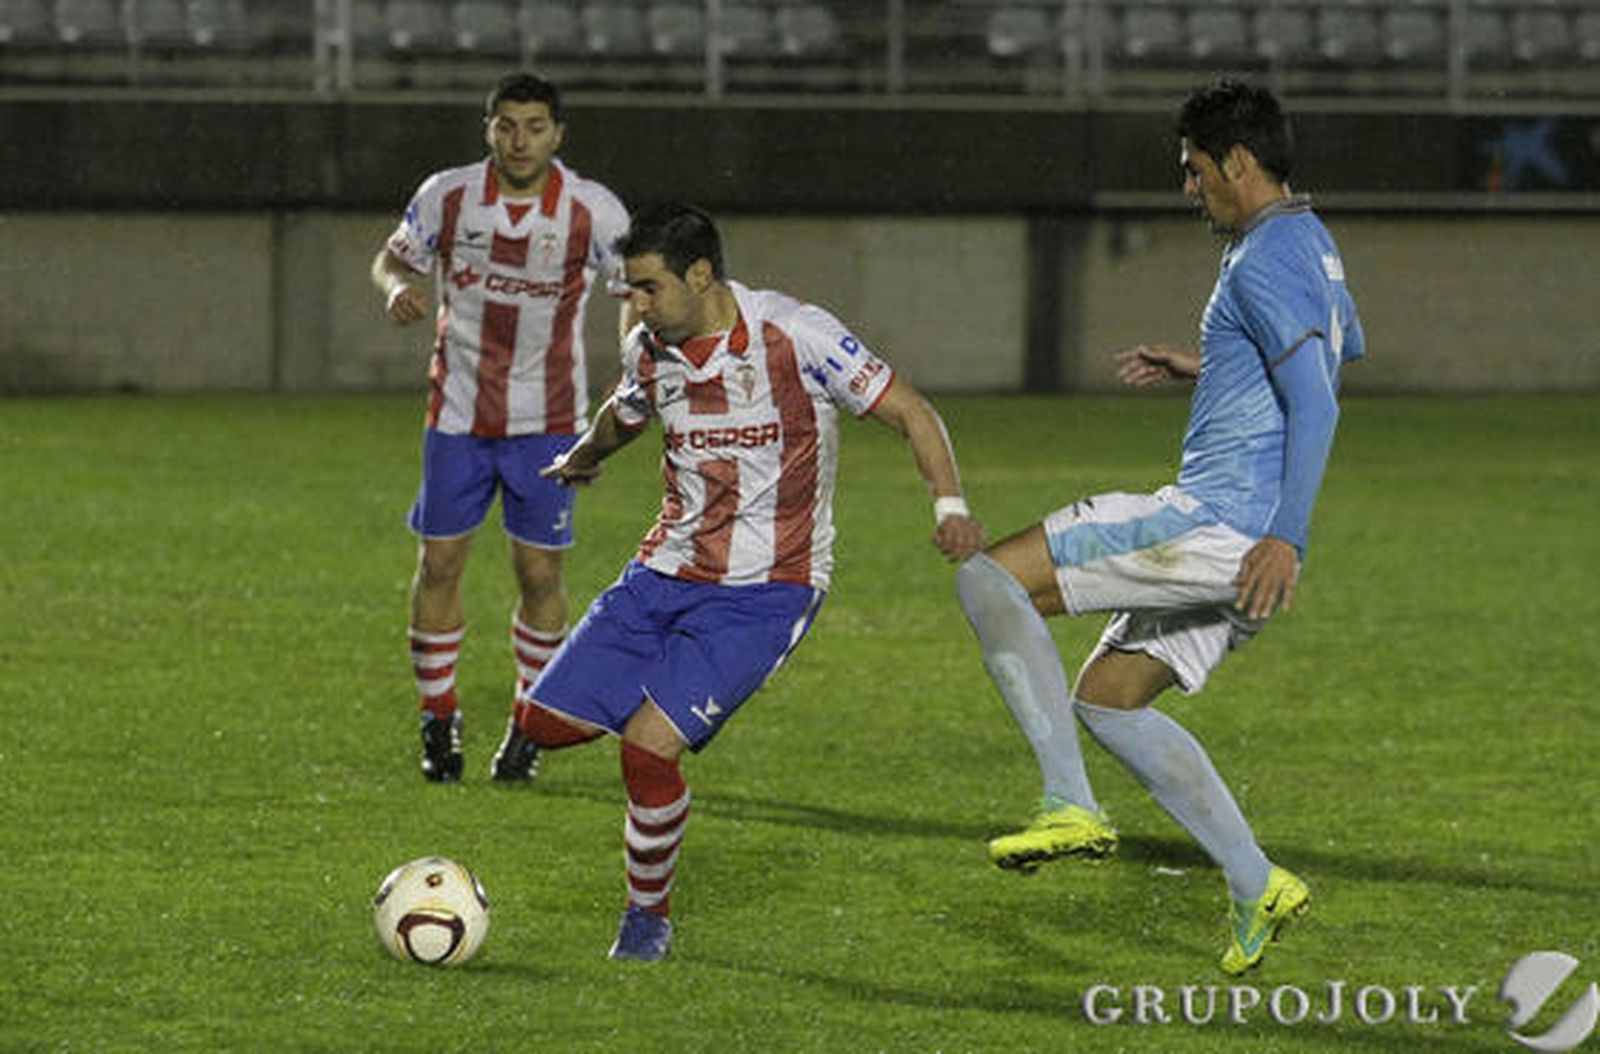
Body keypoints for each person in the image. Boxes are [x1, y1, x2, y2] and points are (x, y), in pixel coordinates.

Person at [956, 79, 1364, 975]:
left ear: (1238, 163)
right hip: (1240, 543)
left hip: (1218, 527)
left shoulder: (1263, 258)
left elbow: (1317, 399)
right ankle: (1256, 881)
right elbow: (1332, 351)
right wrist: (1209, 365)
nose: (1188, 188)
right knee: (1108, 700)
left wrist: (1284, 535)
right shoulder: (1309, 239)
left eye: (1193, 170)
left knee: (988, 577)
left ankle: (1068, 803)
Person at [524, 203, 987, 961]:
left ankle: (647, 919)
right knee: (541, 725)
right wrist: (585, 455)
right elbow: (627, 410)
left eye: (647, 288)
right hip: (662, 571)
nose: (635, 307)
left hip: (766, 588)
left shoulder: (796, 334)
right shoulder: (652, 347)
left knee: (646, 750)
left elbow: (910, 409)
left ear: (700, 275)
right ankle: (667, 693)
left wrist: (951, 505)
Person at [371, 71, 631, 783]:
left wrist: (633, 362)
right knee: (440, 563)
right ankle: (438, 717)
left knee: (539, 571)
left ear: (558, 134)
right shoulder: (447, 195)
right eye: (507, 126)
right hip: (457, 414)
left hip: (549, 423)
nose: (520, 141)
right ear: (488, 129)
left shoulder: (592, 209)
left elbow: (631, 290)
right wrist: (399, 286)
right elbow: (395, 255)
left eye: (535, 127)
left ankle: (528, 725)